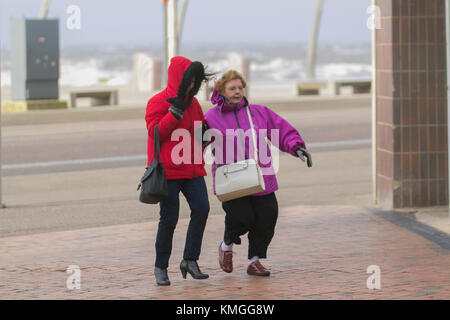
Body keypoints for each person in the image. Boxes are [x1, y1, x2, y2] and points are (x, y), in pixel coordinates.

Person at [204, 70, 312, 276]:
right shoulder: (211, 117)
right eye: (232, 88)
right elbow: (196, 143)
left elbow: (281, 130)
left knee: (267, 217)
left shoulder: (259, 112)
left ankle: (254, 261)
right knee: (242, 218)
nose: (237, 92)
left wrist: (297, 147)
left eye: (240, 88)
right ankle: (226, 246)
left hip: (261, 176)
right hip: (232, 179)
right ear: (222, 92)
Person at [145, 56, 212, 285]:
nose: (192, 85)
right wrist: (174, 113)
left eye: (196, 81)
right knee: (169, 219)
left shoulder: (194, 104)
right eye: (189, 80)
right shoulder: (157, 102)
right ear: (179, 78)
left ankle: (190, 260)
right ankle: (160, 267)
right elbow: (156, 134)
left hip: (193, 169)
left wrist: (207, 134)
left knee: (202, 209)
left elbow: (199, 135)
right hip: (168, 171)